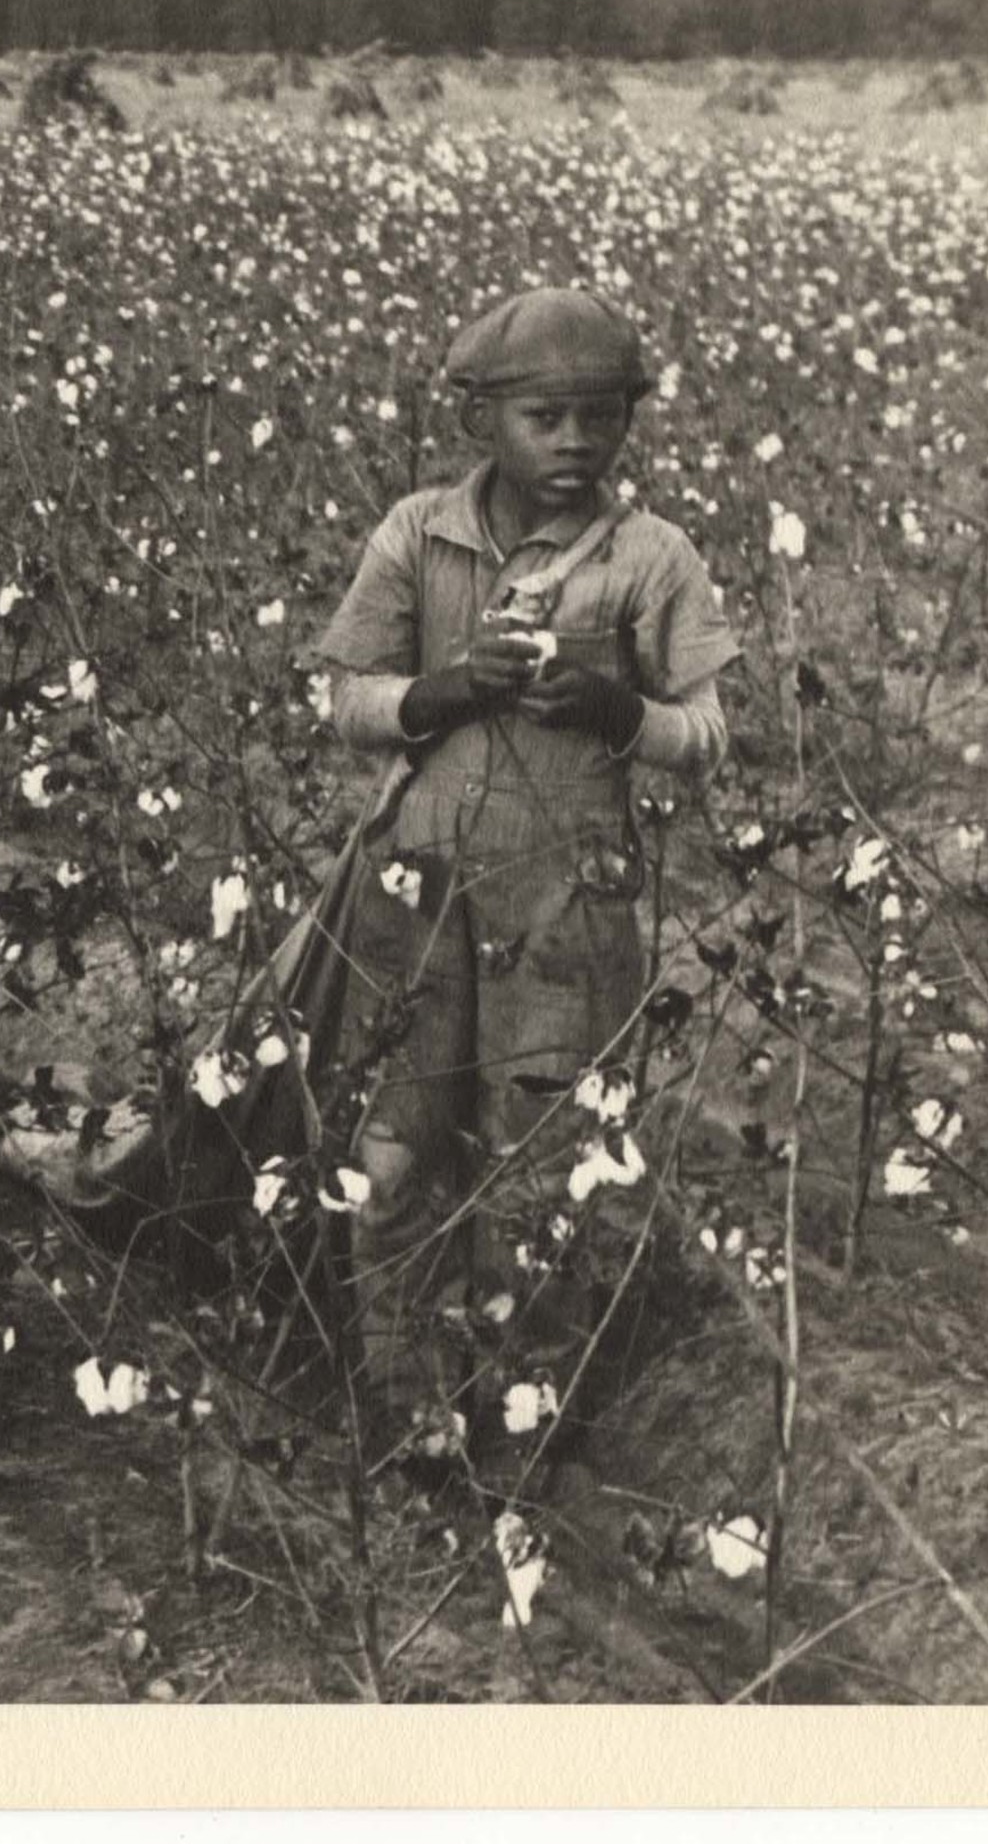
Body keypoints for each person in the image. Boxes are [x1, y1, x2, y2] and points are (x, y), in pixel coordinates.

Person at [305, 286, 741, 1464]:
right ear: (482, 420)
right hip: (417, 891)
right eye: (545, 416)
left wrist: (618, 711)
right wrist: (436, 693)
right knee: (395, 1155)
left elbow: (706, 734)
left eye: (601, 419)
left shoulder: (649, 558)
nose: (575, 443)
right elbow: (342, 696)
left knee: (538, 1166)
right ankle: (407, 1411)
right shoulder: (418, 536)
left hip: (567, 906)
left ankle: (522, 1418)